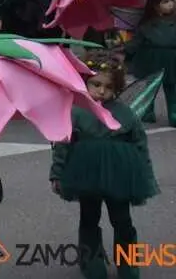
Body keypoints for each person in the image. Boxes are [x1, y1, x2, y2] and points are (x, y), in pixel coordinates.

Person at [49, 53, 158, 279]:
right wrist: (57, 174)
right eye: (95, 84)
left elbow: (139, 145)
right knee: (89, 218)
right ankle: (92, 262)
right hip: (86, 175)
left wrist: (146, 176)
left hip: (119, 175)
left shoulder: (126, 114)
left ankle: (128, 264)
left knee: (122, 220)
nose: (101, 91)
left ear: (117, 88)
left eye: (108, 87)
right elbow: (63, 144)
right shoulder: (76, 112)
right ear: (84, 82)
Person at [125, 0, 176, 125]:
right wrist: (124, 49)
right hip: (150, 60)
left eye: (171, 0)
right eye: (165, 1)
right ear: (155, 5)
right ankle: (148, 111)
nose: (171, 4)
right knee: (150, 87)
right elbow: (135, 43)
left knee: (172, 89)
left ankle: (174, 113)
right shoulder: (146, 25)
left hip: (172, 60)